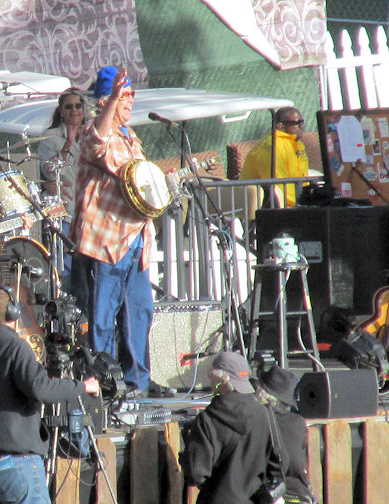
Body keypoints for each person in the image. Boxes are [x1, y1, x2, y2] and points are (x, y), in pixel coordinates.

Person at [70, 65, 167, 397]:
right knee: (102, 314)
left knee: (138, 311)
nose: (130, 102)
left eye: (129, 96)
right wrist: (111, 98)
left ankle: (138, 380)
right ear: (104, 101)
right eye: (124, 96)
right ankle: (105, 383)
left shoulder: (130, 136)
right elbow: (99, 140)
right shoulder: (91, 133)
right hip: (106, 241)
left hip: (135, 237)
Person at [0, 282, 100, 504]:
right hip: (15, 464)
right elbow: (40, 388)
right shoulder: (14, 347)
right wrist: (82, 386)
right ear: (12, 313)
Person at [180, 352, 282, 504]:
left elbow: (196, 474)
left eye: (211, 374)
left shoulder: (208, 420)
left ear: (222, 379)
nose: (209, 379)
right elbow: (279, 460)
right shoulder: (264, 412)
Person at [37, 87, 88, 284]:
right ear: (61, 111)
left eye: (78, 106)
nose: (74, 110)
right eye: (69, 107)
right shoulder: (49, 137)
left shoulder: (92, 134)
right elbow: (49, 170)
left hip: (88, 212)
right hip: (66, 212)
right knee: (65, 268)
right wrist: (68, 143)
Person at [256, 365, 317, 504]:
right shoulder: (298, 422)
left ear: (262, 392)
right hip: (301, 494)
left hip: (270, 494)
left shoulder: (257, 421)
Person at [239, 106, 310, 207]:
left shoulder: (297, 144)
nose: (301, 126)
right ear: (280, 125)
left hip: (293, 204)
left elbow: (302, 179)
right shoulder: (272, 146)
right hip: (265, 208)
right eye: (296, 123)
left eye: (302, 122)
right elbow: (279, 186)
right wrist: (303, 203)